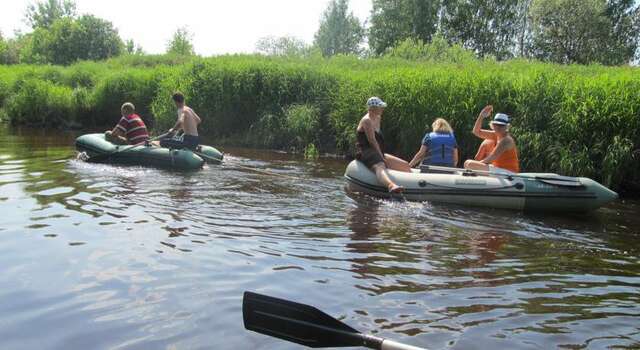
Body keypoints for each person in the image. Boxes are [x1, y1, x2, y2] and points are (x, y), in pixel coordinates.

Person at [355, 97, 411, 193]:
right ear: (372, 108)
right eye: (380, 107)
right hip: (366, 151)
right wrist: (380, 156)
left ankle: (410, 186)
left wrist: (381, 154)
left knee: (405, 166)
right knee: (380, 165)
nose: (382, 109)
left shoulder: (378, 118)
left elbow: (378, 139)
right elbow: (372, 141)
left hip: (378, 150)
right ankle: (391, 186)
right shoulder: (366, 120)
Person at [464, 105, 520, 174]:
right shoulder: (495, 135)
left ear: (506, 127)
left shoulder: (506, 140)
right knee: (467, 163)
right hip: (499, 169)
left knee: (470, 164)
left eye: (501, 125)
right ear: (493, 125)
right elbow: (476, 132)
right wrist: (481, 116)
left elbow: (492, 157)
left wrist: (476, 165)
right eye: (496, 124)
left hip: (509, 172)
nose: (498, 127)